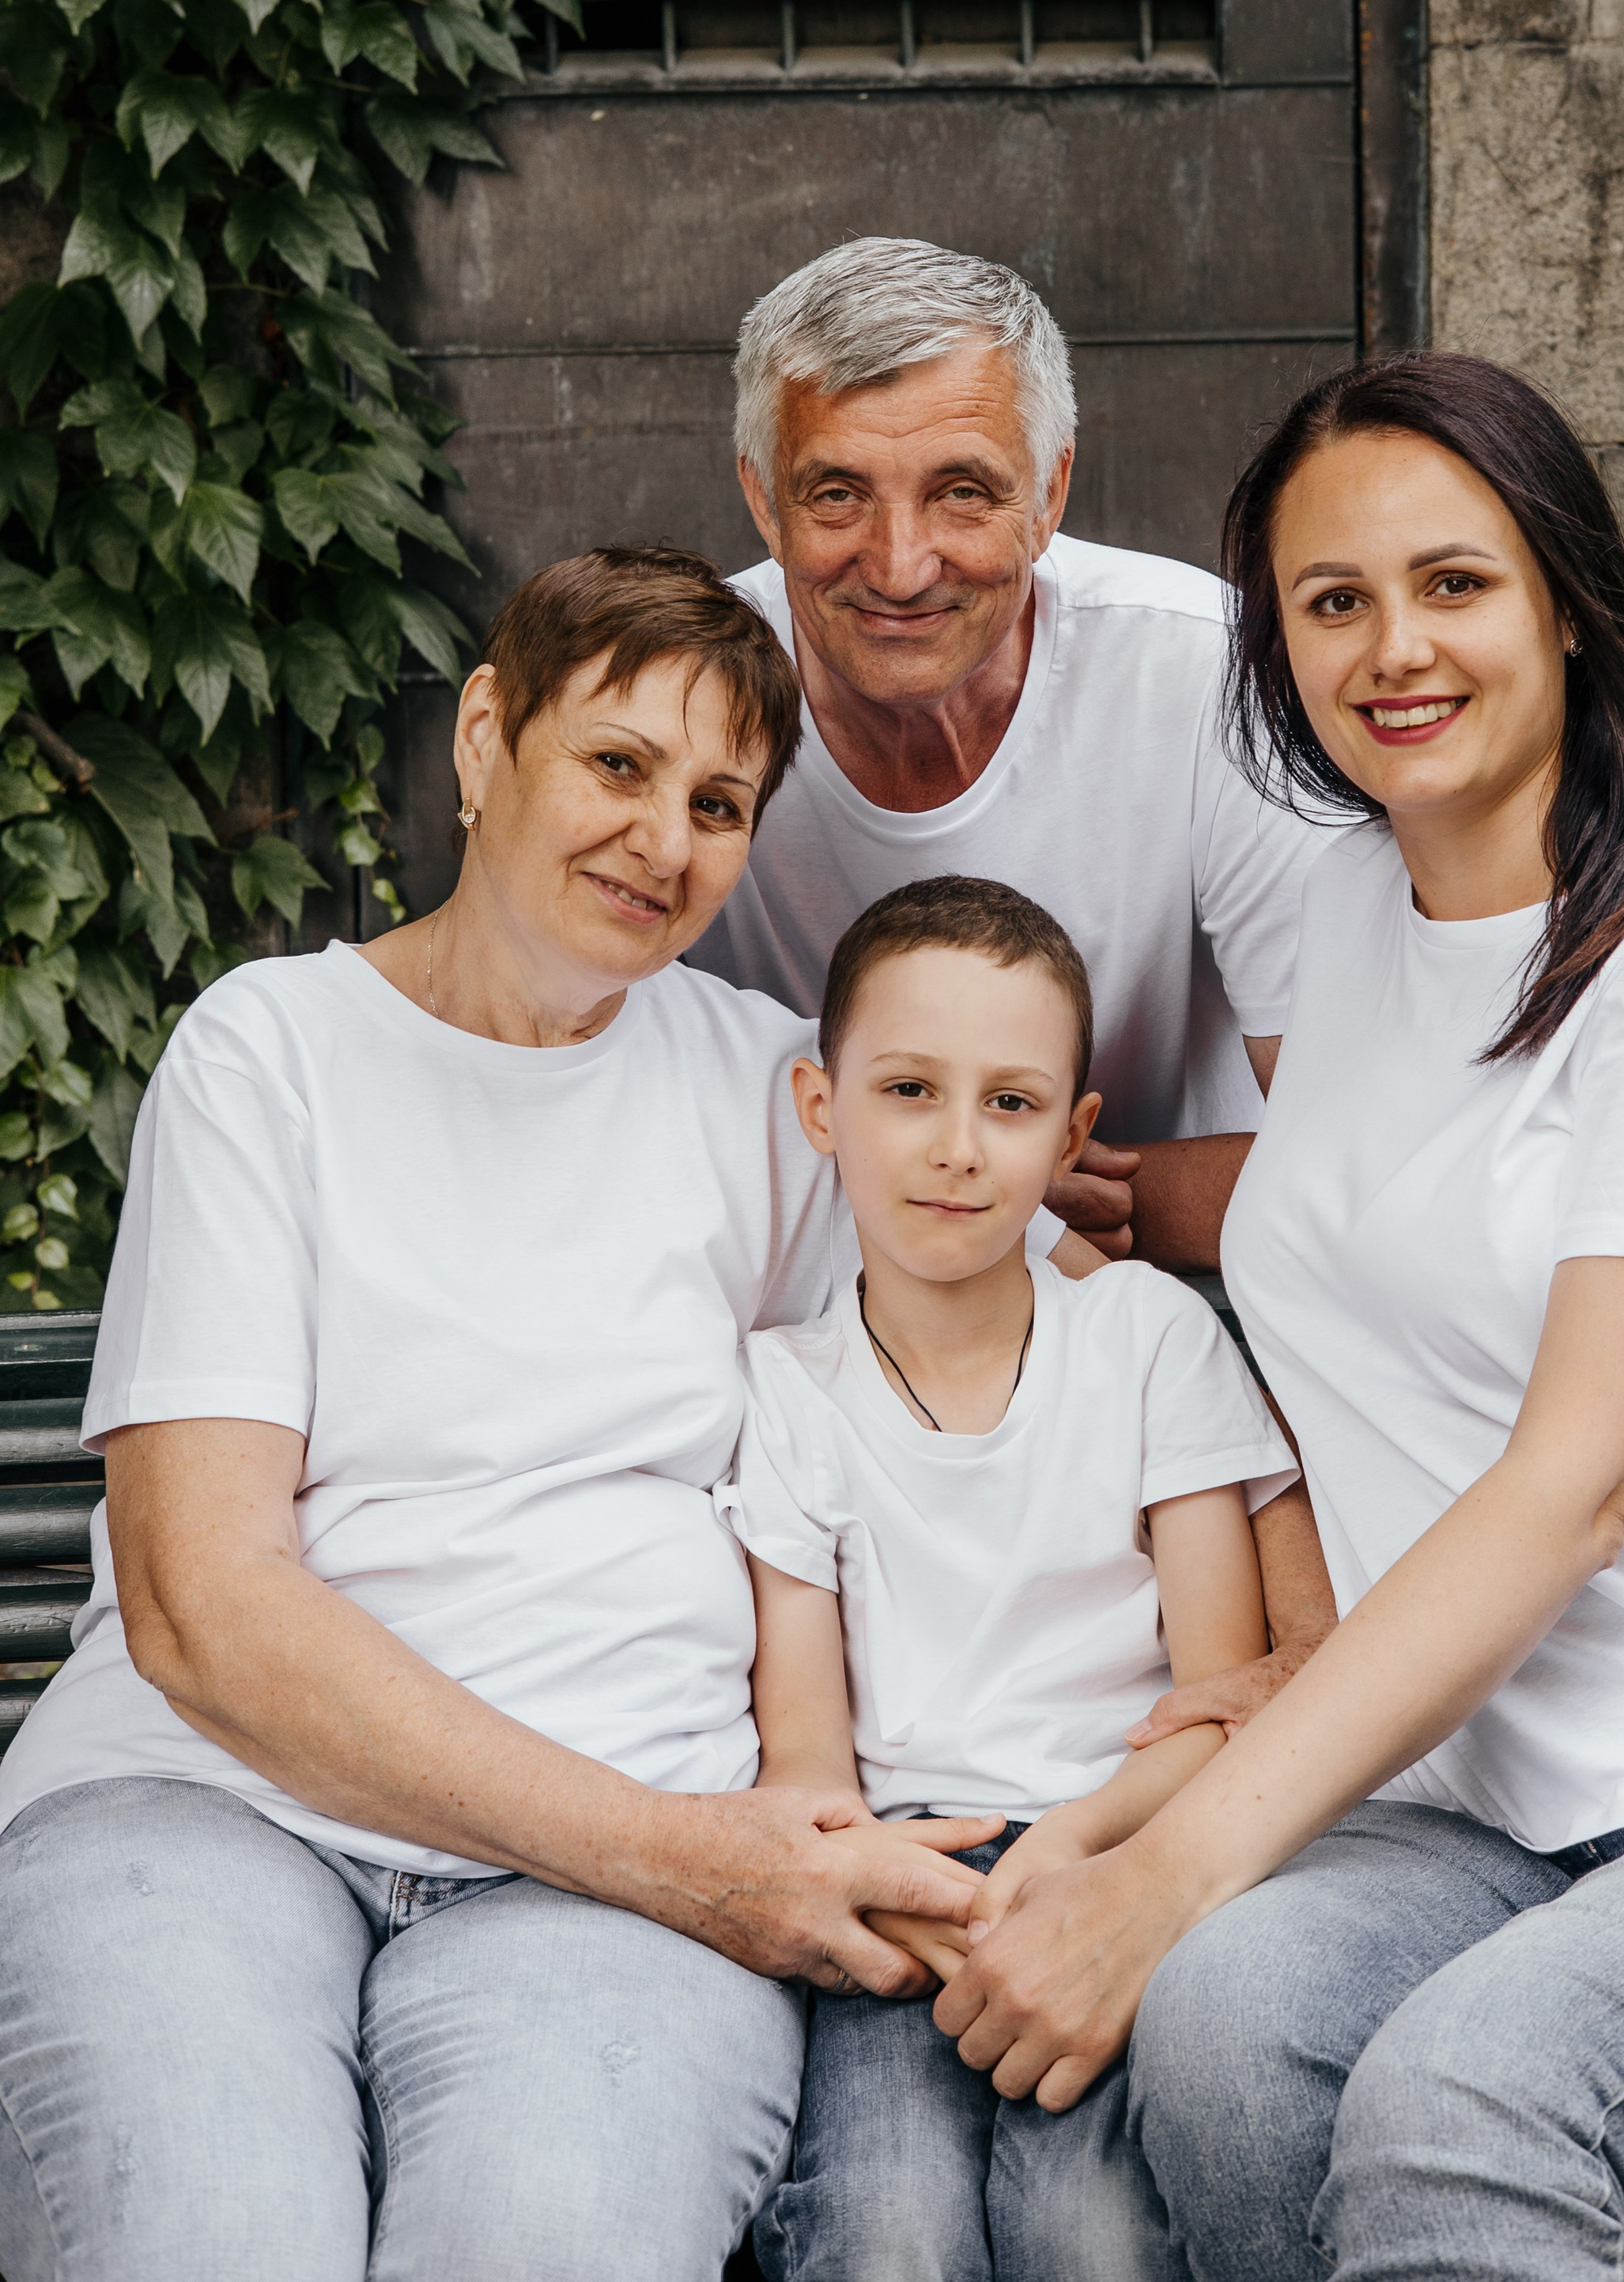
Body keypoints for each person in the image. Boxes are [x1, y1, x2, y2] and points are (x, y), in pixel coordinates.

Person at [932, 353, 1624, 2280]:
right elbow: (1346, 1204)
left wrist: (1174, 1862)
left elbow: (1570, 1485)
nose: (1390, 649)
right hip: (1474, 1808)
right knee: (1233, 2035)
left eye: (1453, 584)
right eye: (1328, 602)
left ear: (1563, 600)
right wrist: (1086, 1191)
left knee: (1471, 2103)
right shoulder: (1345, 918)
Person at [0, 548, 1002, 2282]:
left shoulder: (779, 1094)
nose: (664, 841)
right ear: (484, 741)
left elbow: (1068, 1318)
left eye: (717, 802)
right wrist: (692, 1861)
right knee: (215, 2238)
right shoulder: (270, 1053)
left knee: (544, 2241)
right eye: (616, 765)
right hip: (210, 1810)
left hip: (605, 1890)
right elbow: (202, 1614)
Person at [720, 875, 1301, 2282]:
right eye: (909, 1090)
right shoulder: (790, 1390)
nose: (957, 1149)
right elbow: (805, 1761)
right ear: (821, 1107)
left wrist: (1074, 1850)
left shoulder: (1147, 1342)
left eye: (1011, 1103)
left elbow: (1223, 1702)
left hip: (1119, 1864)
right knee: (883, 2241)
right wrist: (920, 1894)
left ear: (1073, 1135)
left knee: (1090, 2240)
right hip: (899, 1895)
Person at [686, 235, 1335, 1274]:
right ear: (763, 500)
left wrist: (1018, 1204)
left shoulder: (1201, 669)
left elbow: (1365, 1156)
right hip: (801, 1304)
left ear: (1049, 494)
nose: (901, 568)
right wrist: (1001, 1204)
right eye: (837, 494)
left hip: (1179, 1285)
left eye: (964, 493)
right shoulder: (683, 693)